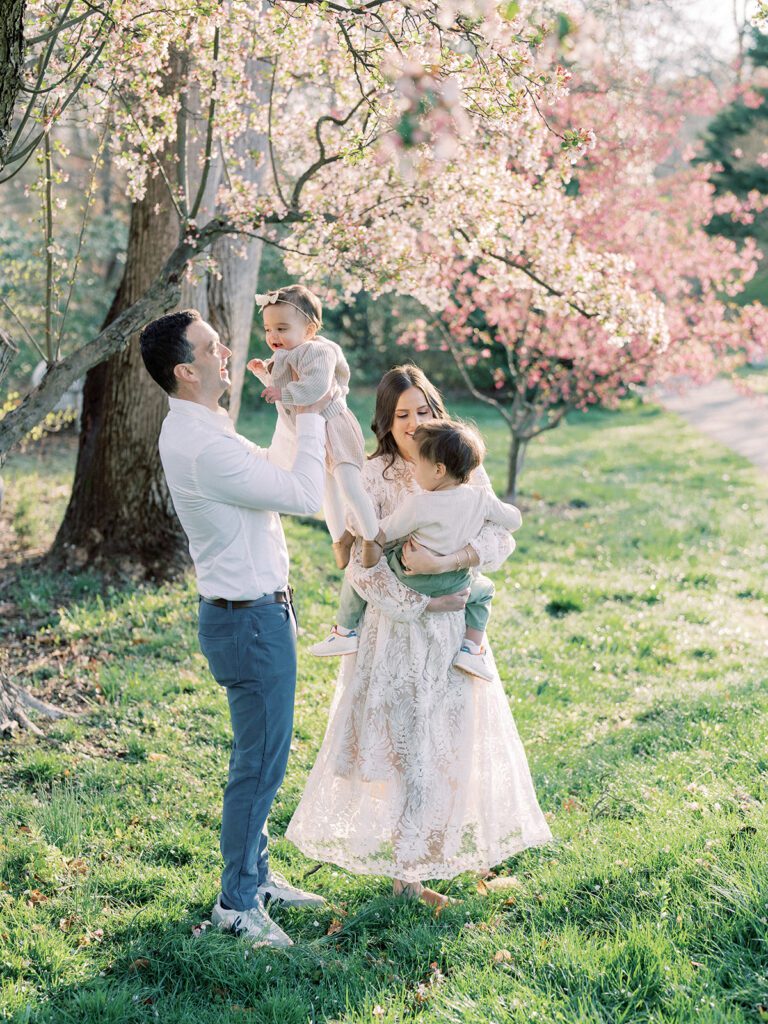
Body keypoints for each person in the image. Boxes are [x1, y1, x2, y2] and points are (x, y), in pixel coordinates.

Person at [286, 365, 553, 907]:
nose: (414, 422)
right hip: (398, 634)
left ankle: (427, 860)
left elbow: (500, 536)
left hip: (453, 636)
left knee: (447, 745)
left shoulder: (459, 460)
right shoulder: (374, 474)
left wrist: (452, 560)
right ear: (386, 421)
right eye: (402, 414)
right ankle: (407, 876)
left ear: (437, 409)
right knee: (407, 751)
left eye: (423, 410)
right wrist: (424, 599)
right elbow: (362, 566)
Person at [140, 308, 327, 948]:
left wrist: (291, 406)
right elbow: (302, 495)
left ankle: (257, 875)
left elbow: (277, 469)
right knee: (258, 767)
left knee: (264, 759)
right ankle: (238, 901)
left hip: (256, 615)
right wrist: (320, 408)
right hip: (248, 622)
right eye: (215, 347)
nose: (229, 353)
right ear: (185, 370)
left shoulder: (208, 425)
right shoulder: (203, 444)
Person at [311, 419, 522, 681]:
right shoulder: (481, 498)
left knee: (356, 575)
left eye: (419, 464)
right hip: (457, 582)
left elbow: (383, 532)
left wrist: (357, 526)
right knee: (484, 591)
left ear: (438, 470)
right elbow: (514, 520)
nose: (414, 471)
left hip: (414, 578)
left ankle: (344, 631)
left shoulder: (420, 504)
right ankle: (472, 648)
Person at [247, 285, 381, 568]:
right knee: (326, 490)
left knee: (348, 484)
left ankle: (372, 536)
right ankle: (340, 537)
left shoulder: (320, 352)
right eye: (269, 329)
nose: (273, 336)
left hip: (334, 425)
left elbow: (315, 388)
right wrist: (264, 374)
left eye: (282, 328)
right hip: (312, 430)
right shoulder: (283, 355)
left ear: (308, 330)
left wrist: (281, 393)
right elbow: (281, 389)